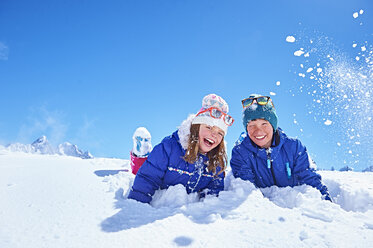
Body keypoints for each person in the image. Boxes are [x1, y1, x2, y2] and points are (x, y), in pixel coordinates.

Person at [128, 94, 234, 204]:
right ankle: (141, 154)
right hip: (159, 186)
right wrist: (137, 206)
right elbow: (147, 178)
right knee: (140, 169)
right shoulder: (169, 147)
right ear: (196, 127)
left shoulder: (216, 162)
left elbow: (214, 190)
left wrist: (208, 209)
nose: (213, 135)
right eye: (208, 127)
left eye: (220, 133)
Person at [230, 94, 332, 201]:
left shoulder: (294, 147)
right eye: (252, 125)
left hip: (297, 210)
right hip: (262, 212)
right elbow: (246, 191)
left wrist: (327, 205)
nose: (258, 131)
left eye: (264, 124)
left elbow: (311, 180)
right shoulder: (241, 153)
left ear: (273, 125)